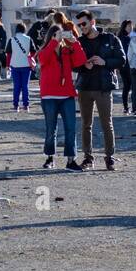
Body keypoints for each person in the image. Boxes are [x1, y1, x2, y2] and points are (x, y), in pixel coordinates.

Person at [74, 10, 127, 171]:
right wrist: (84, 65)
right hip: (85, 86)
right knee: (85, 124)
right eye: (79, 24)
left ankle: (109, 157)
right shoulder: (79, 42)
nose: (81, 27)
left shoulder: (110, 39)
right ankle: (88, 158)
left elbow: (122, 60)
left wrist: (105, 62)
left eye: (84, 24)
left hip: (104, 87)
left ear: (92, 22)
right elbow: (72, 64)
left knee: (107, 123)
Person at [38, 25, 88, 170]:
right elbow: (42, 60)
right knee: (50, 129)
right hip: (49, 95)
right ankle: (50, 158)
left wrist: (75, 42)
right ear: (51, 36)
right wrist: (53, 42)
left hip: (67, 94)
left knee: (70, 128)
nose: (60, 36)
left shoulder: (67, 50)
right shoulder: (45, 50)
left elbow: (80, 61)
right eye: (56, 34)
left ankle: (71, 160)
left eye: (61, 34)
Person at [7, 23, 35, 112]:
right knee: (25, 86)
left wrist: (8, 65)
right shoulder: (28, 39)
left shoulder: (12, 39)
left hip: (15, 65)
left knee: (16, 86)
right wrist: (30, 58)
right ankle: (26, 105)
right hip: (26, 65)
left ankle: (16, 105)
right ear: (24, 29)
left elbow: (8, 54)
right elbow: (33, 52)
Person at [116, 20, 134, 115]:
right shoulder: (126, 39)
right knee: (131, 86)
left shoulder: (120, 38)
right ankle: (130, 107)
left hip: (122, 65)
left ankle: (126, 107)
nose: (131, 28)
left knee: (127, 86)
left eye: (131, 27)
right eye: (129, 27)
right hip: (127, 65)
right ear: (125, 27)